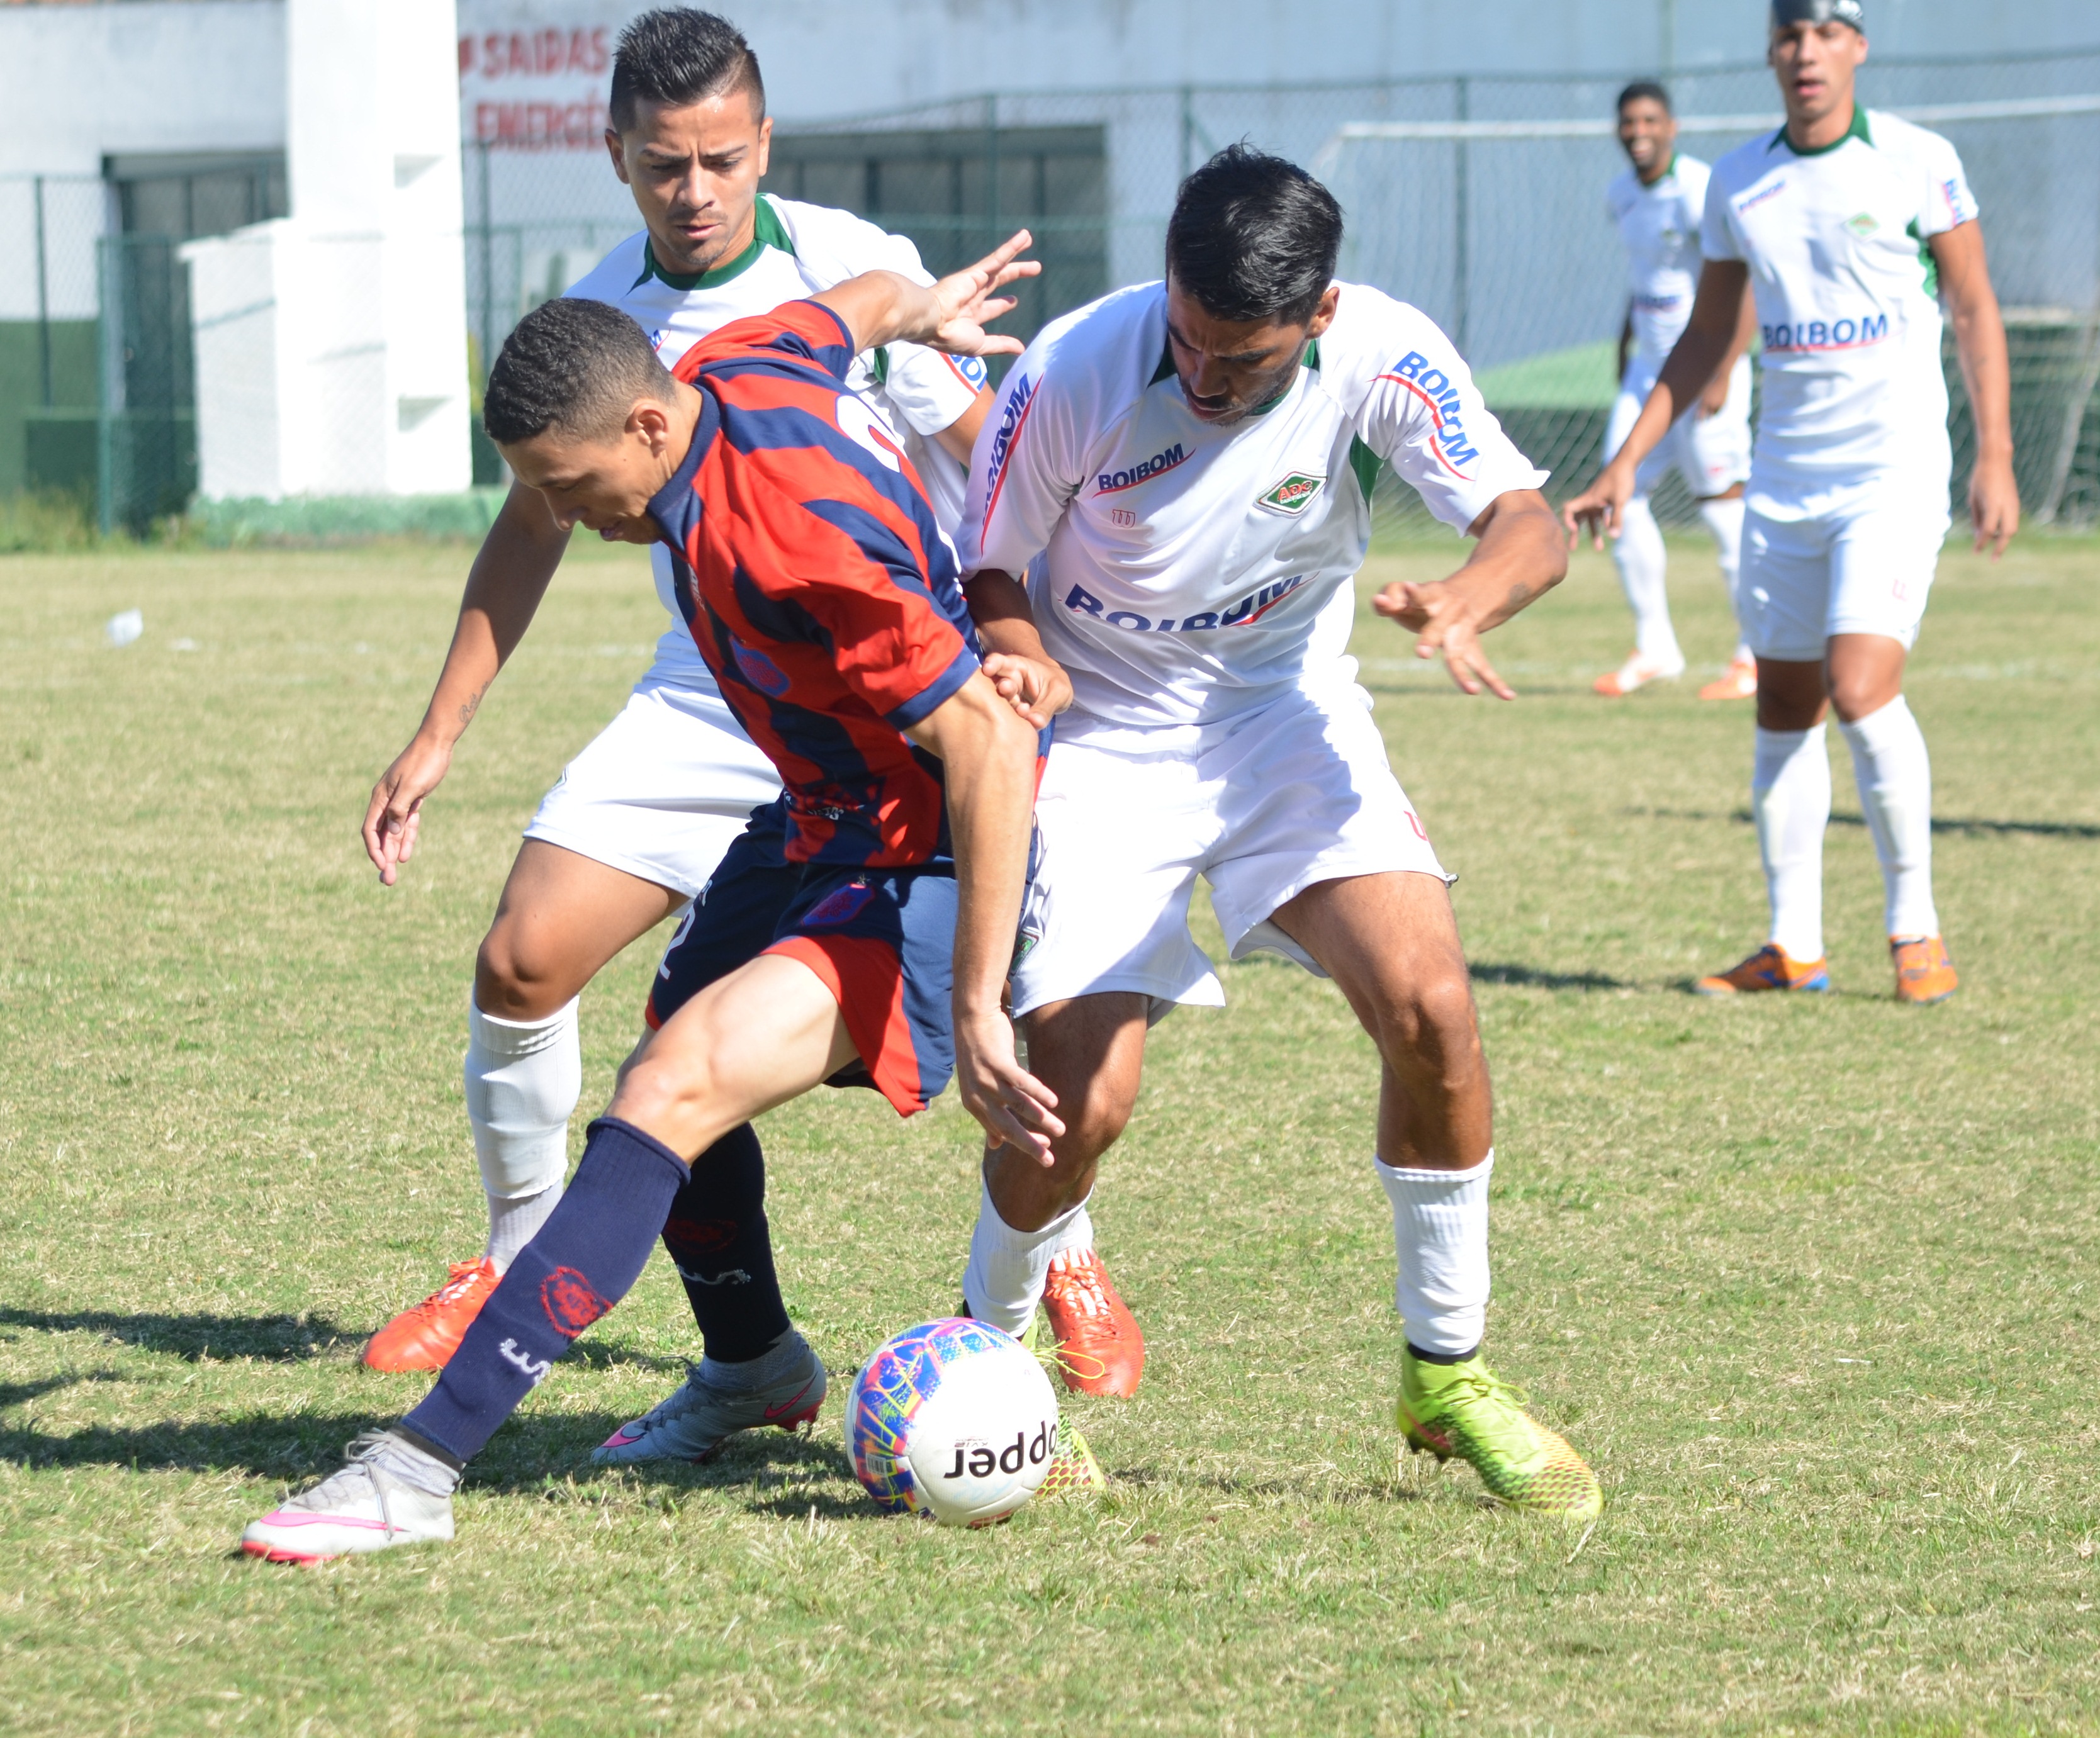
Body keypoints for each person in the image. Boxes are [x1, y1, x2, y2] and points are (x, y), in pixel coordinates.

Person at [359, 10, 1135, 1447]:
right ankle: (574, 1287)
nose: (695, 190)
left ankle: (1047, 1254)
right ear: (616, 158)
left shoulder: (833, 279)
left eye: (720, 159)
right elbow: (535, 522)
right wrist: (439, 730)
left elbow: (986, 471)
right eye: (665, 165)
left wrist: (1025, 640)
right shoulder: (616, 328)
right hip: (730, 694)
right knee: (548, 972)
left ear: (762, 144)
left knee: (992, 1007)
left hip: (890, 692)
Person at [242, 240, 1059, 1563]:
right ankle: (753, 1365)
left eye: (571, 487)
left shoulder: (791, 534)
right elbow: (845, 307)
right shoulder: (733, 363)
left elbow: (991, 742)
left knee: (671, 1087)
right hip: (816, 817)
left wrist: (977, 1004)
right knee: (662, 1066)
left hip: (923, 852)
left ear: (642, 424)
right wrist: (918, 307)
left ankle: (416, 1469)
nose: (567, 516)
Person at [949, 145, 1602, 1515]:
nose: (1201, 377)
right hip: (1100, 732)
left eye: (1239, 361)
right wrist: (1028, 660)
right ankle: (987, 1365)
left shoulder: (1382, 353)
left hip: (1282, 716)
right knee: (1079, 1100)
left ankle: (1446, 1373)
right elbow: (989, 566)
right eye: (1186, 339)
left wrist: (1472, 597)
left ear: (1318, 315)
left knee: (1432, 1008)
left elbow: (1528, 522)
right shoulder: (1074, 367)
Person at [1566, 0, 2018, 1004]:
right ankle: (1792, 946)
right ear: (1771, 53)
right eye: (1787, 35)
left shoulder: (1917, 160)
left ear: (1857, 46)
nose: (1804, 51)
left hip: (1891, 476)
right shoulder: (1737, 180)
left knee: (1858, 687)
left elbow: (1974, 305)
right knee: (1782, 703)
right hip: (1785, 478)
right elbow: (1705, 334)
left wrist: (1995, 454)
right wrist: (1627, 461)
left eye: (1823, 33)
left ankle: (1915, 930)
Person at [1594, 80, 1760, 702]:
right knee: (1617, 497)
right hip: (1648, 373)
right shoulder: (1620, 196)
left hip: (1704, 368)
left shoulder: (1700, 189)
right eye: (1628, 122)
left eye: (1649, 121)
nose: (1638, 132)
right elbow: (1644, 279)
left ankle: (1754, 655)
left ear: (1671, 127)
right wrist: (1624, 344)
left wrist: (1722, 369)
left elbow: (1742, 282)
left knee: (1722, 507)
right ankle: (1655, 647)